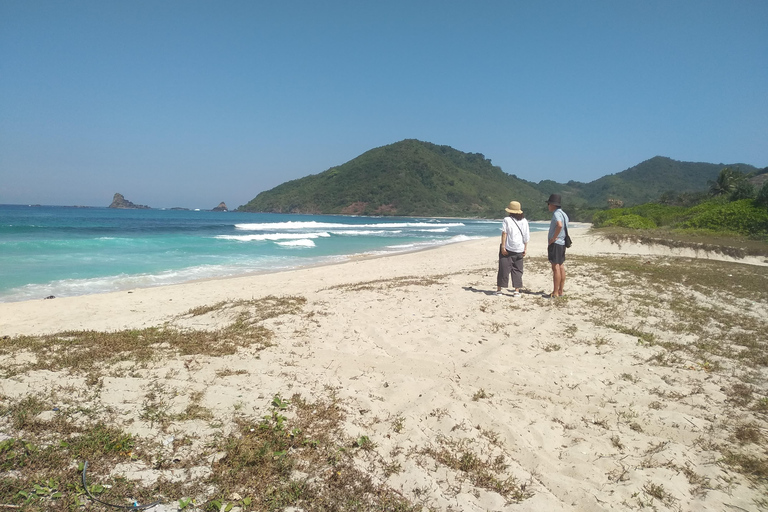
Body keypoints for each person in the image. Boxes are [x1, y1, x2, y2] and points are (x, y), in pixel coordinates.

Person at [496, 201, 530, 297]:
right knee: (518, 269)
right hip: (520, 248)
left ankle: (499, 290)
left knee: (503, 268)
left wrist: (503, 246)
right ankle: (516, 290)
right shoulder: (524, 221)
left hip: (508, 247)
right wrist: (525, 248)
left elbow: (504, 233)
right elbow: (526, 236)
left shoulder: (507, 219)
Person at [545, 194, 569, 297]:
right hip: (562, 243)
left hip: (556, 243)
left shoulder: (556, 214)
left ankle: (555, 292)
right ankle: (560, 291)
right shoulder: (564, 214)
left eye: (549, 204)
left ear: (553, 205)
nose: (548, 206)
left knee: (556, 267)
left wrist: (554, 238)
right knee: (561, 266)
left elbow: (559, 225)